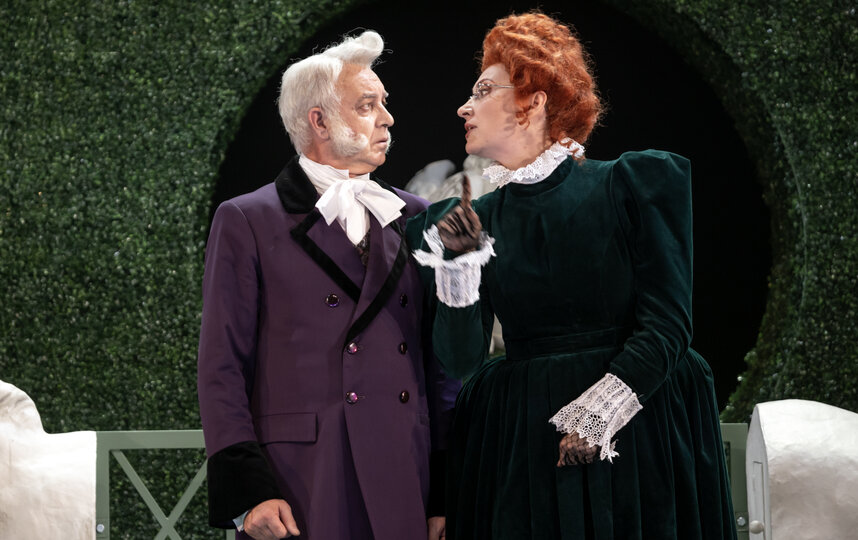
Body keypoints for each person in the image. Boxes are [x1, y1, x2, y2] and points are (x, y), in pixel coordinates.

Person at [408, 12, 738, 540]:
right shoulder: (474, 221)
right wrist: (458, 270)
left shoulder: (628, 185)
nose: (463, 107)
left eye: (483, 90)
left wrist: (598, 414)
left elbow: (669, 322)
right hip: (522, 433)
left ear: (533, 101)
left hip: (638, 425)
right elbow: (461, 360)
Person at [197, 30, 458, 540]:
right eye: (367, 105)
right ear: (319, 121)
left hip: (403, 470)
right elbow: (221, 366)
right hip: (302, 479)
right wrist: (248, 491)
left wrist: (444, 489)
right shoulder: (247, 219)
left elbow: (440, 363)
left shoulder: (416, 215)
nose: (387, 118)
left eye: (384, 103)